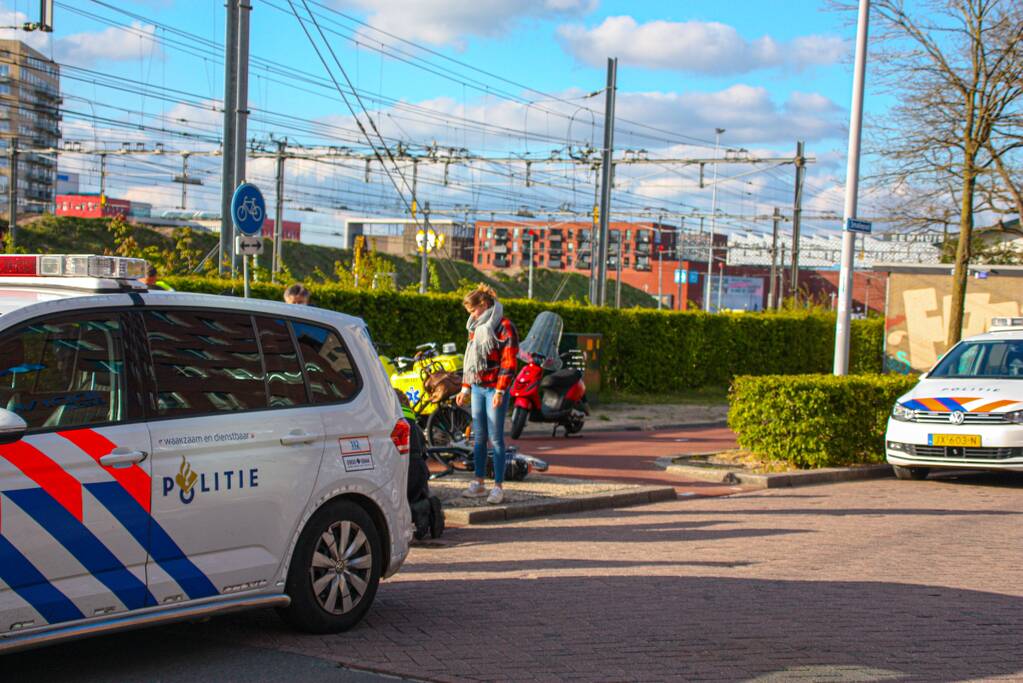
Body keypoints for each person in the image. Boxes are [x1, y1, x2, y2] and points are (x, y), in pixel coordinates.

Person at [455, 284, 519, 504]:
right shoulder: (475, 327)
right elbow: (470, 361)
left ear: (483, 305)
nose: (471, 316)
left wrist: (501, 390)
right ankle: (479, 483)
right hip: (477, 388)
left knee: (496, 438)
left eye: (473, 311)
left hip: (494, 389)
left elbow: (508, 362)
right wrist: (465, 387)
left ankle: (498, 487)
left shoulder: (504, 326)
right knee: (479, 438)